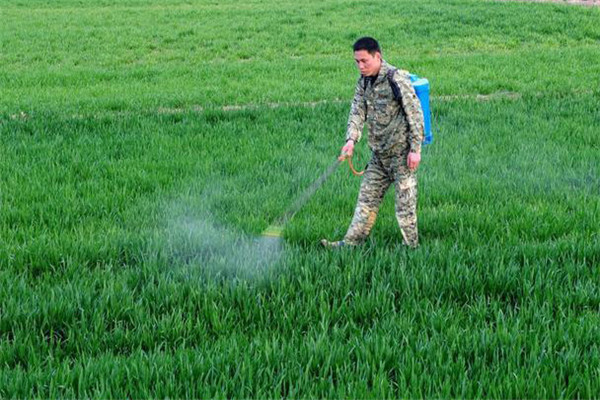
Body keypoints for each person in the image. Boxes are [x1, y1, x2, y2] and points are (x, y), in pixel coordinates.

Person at [321, 37, 425, 248]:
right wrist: (351, 140)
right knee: (365, 203)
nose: (360, 66)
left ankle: (412, 248)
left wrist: (415, 150)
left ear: (377, 56)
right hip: (378, 157)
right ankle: (350, 245)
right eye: (357, 62)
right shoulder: (364, 81)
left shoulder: (397, 79)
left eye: (364, 61)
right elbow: (358, 110)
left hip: (401, 156)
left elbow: (415, 115)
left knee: (405, 208)